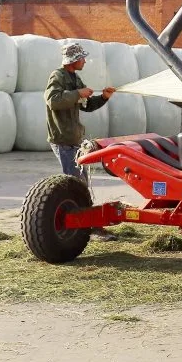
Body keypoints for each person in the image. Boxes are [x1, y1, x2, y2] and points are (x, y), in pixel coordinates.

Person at [44, 41, 117, 240]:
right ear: (73, 60)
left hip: (74, 139)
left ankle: (87, 224)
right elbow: (53, 100)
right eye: (82, 58)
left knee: (81, 184)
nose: (85, 61)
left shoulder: (75, 78)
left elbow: (86, 105)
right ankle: (81, 227)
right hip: (63, 140)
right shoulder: (57, 76)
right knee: (76, 186)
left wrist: (103, 97)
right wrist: (78, 93)